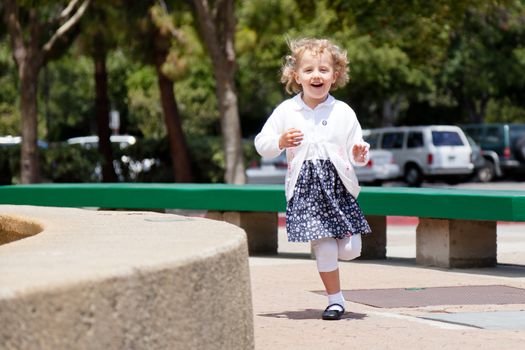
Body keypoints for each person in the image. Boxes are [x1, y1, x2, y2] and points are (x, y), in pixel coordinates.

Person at [254, 38, 372, 321]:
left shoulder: (343, 111)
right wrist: (280, 141)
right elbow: (262, 143)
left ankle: (326, 249)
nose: (316, 76)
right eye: (308, 70)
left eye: (323, 70)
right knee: (327, 248)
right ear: (296, 76)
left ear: (335, 75)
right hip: (305, 190)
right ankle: (335, 300)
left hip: (338, 188)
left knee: (350, 250)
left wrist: (359, 152)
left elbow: (359, 150)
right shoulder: (287, 111)